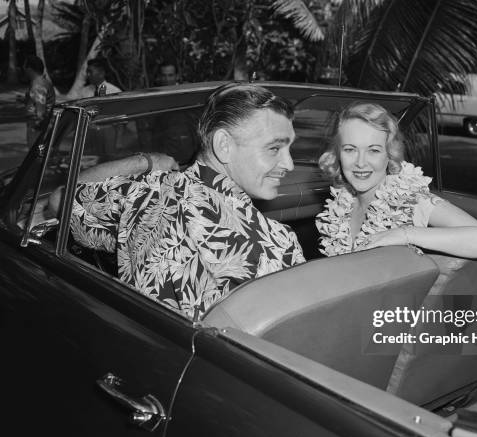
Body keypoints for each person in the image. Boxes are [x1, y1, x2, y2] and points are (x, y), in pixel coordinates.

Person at [68, 83, 304, 319]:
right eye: (274, 148)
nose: (289, 164)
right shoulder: (276, 243)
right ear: (224, 145)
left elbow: (64, 197)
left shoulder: (144, 192)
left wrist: (146, 162)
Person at [316, 102, 477, 258]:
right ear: (338, 154)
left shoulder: (412, 200)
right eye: (350, 149)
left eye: (373, 150)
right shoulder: (339, 204)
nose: (361, 163)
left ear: (389, 154)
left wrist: (404, 234)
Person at [20, 55, 55, 145]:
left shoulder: (38, 84)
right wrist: (26, 100)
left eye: (24, 66)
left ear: (29, 68)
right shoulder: (42, 82)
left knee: (36, 155)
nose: (23, 68)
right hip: (43, 126)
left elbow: (40, 112)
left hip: (38, 127)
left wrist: (36, 127)